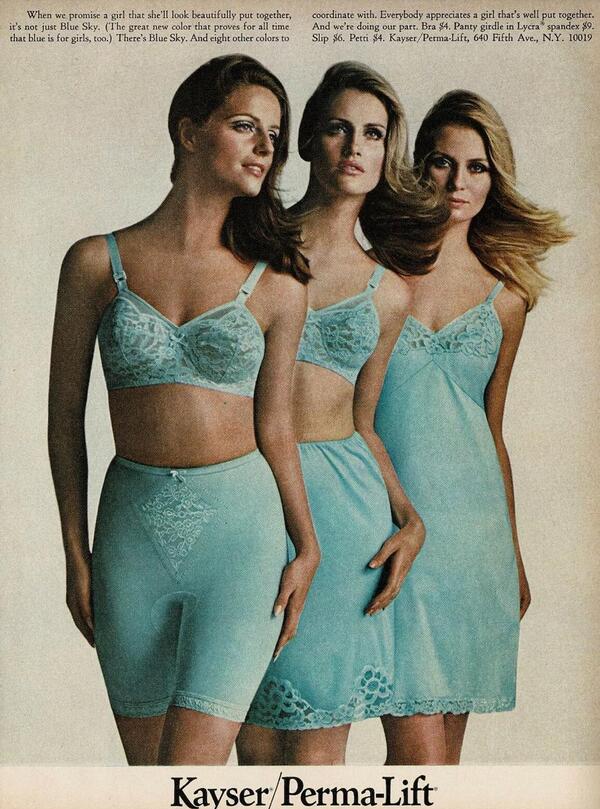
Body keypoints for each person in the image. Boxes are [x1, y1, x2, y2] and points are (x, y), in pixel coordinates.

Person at [48, 54, 320, 766]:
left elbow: (276, 428)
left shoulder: (279, 284)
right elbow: (64, 421)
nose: (266, 148)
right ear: (190, 131)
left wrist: (307, 545)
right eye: (246, 126)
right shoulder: (94, 264)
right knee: (149, 787)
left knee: (187, 777)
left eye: (275, 135)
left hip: (242, 538)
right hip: (128, 535)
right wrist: (74, 552)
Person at [237, 62, 447, 766]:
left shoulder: (389, 292)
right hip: (247, 491)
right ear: (306, 140)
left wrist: (408, 514)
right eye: (337, 128)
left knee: (316, 758)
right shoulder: (246, 246)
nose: (355, 146)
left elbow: (363, 422)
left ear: (387, 154)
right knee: (247, 744)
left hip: (347, 514)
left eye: (374, 134)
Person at [370, 90, 572, 764]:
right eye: (442, 162)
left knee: (444, 769)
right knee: (418, 760)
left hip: (473, 540)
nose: (459, 181)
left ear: (494, 178)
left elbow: (492, 430)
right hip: (394, 528)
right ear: (417, 169)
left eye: (477, 167)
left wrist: (512, 552)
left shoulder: (506, 297)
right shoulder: (374, 273)